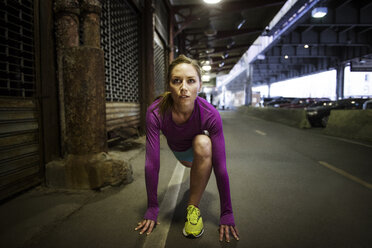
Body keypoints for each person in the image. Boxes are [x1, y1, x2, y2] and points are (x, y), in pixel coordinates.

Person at [134, 55, 239, 242]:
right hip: (180, 153)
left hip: (200, 152)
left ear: (199, 85)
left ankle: (193, 210)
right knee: (199, 144)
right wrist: (152, 207)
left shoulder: (211, 114)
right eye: (177, 81)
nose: (184, 88)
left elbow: (220, 167)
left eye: (190, 81)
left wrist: (227, 212)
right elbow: (152, 163)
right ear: (169, 85)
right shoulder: (155, 112)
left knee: (203, 141)